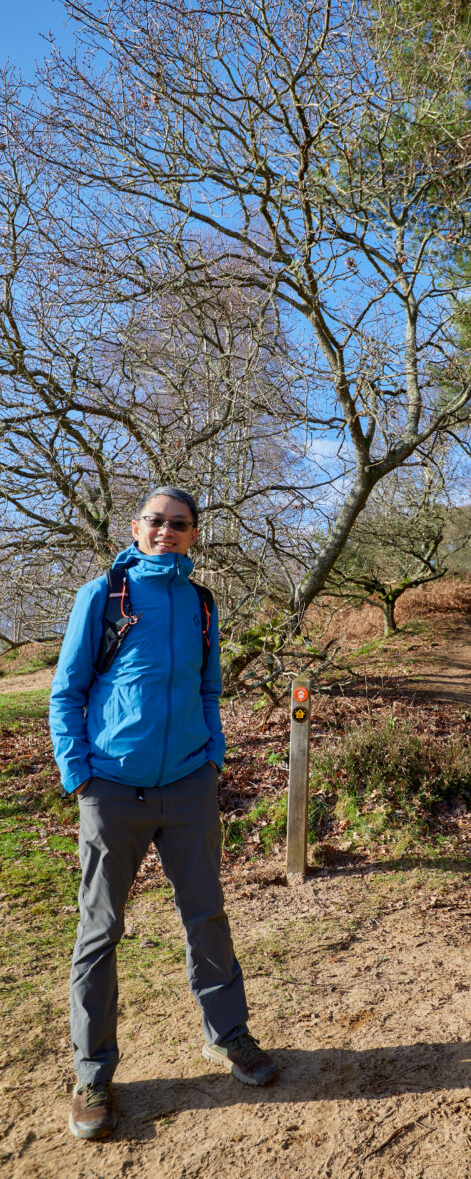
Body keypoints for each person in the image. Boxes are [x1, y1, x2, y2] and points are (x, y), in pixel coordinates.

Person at [50, 486, 278, 1141]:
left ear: (193, 535)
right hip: (112, 789)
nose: (166, 531)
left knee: (206, 916)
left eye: (179, 524)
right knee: (100, 930)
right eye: (156, 521)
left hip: (187, 787)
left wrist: (213, 755)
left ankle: (227, 1036)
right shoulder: (105, 596)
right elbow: (66, 692)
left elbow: (210, 689)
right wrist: (79, 774)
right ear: (136, 527)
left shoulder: (201, 604)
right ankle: (92, 1072)